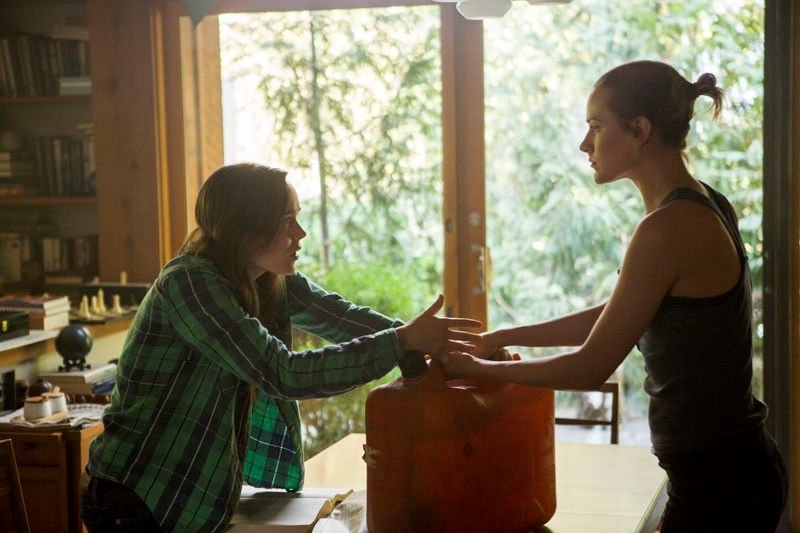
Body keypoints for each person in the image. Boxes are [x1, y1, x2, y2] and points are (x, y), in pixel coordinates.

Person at [433, 60, 787, 532]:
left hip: (721, 485)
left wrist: (479, 369)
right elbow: (621, 314)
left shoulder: (667, 228)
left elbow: (590, 366)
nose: (585, 144)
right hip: (727, 471)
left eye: (596, 128)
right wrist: (503, 335)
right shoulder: (701, 203)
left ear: (640, 130)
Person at [79, 162, 481, 531]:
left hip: (184, 493)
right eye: (286, 220)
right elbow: (282, 372)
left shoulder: (264, 278)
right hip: (133, 495)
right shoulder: (191, 285)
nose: (300, 234)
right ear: (246, 228)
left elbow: (339, 317)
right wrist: (404, 341)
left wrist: (428, 344)